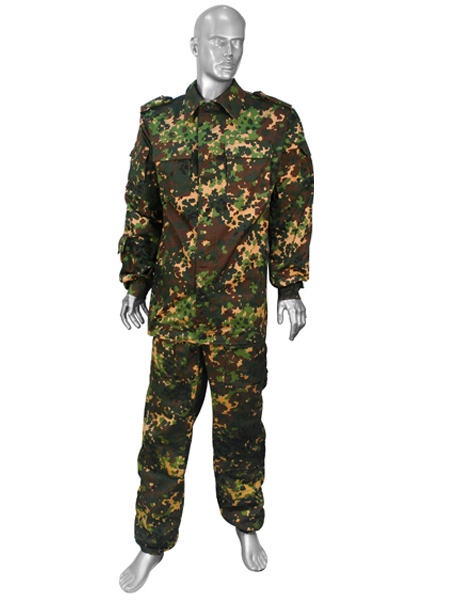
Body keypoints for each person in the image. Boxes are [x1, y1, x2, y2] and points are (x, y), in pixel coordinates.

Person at [118, 5, 314, 593]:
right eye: (218, 41)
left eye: (238, 42)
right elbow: (142, 207)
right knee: (163, 434)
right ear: (194, 45)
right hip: (175, 314)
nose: (229, 52)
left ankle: (246, 526)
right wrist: (134, 281)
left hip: (238, 316)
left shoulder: (272, 121)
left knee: (240, 430)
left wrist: (290, 285)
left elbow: (293, 205)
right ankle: (151, 544)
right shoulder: (160, 122)